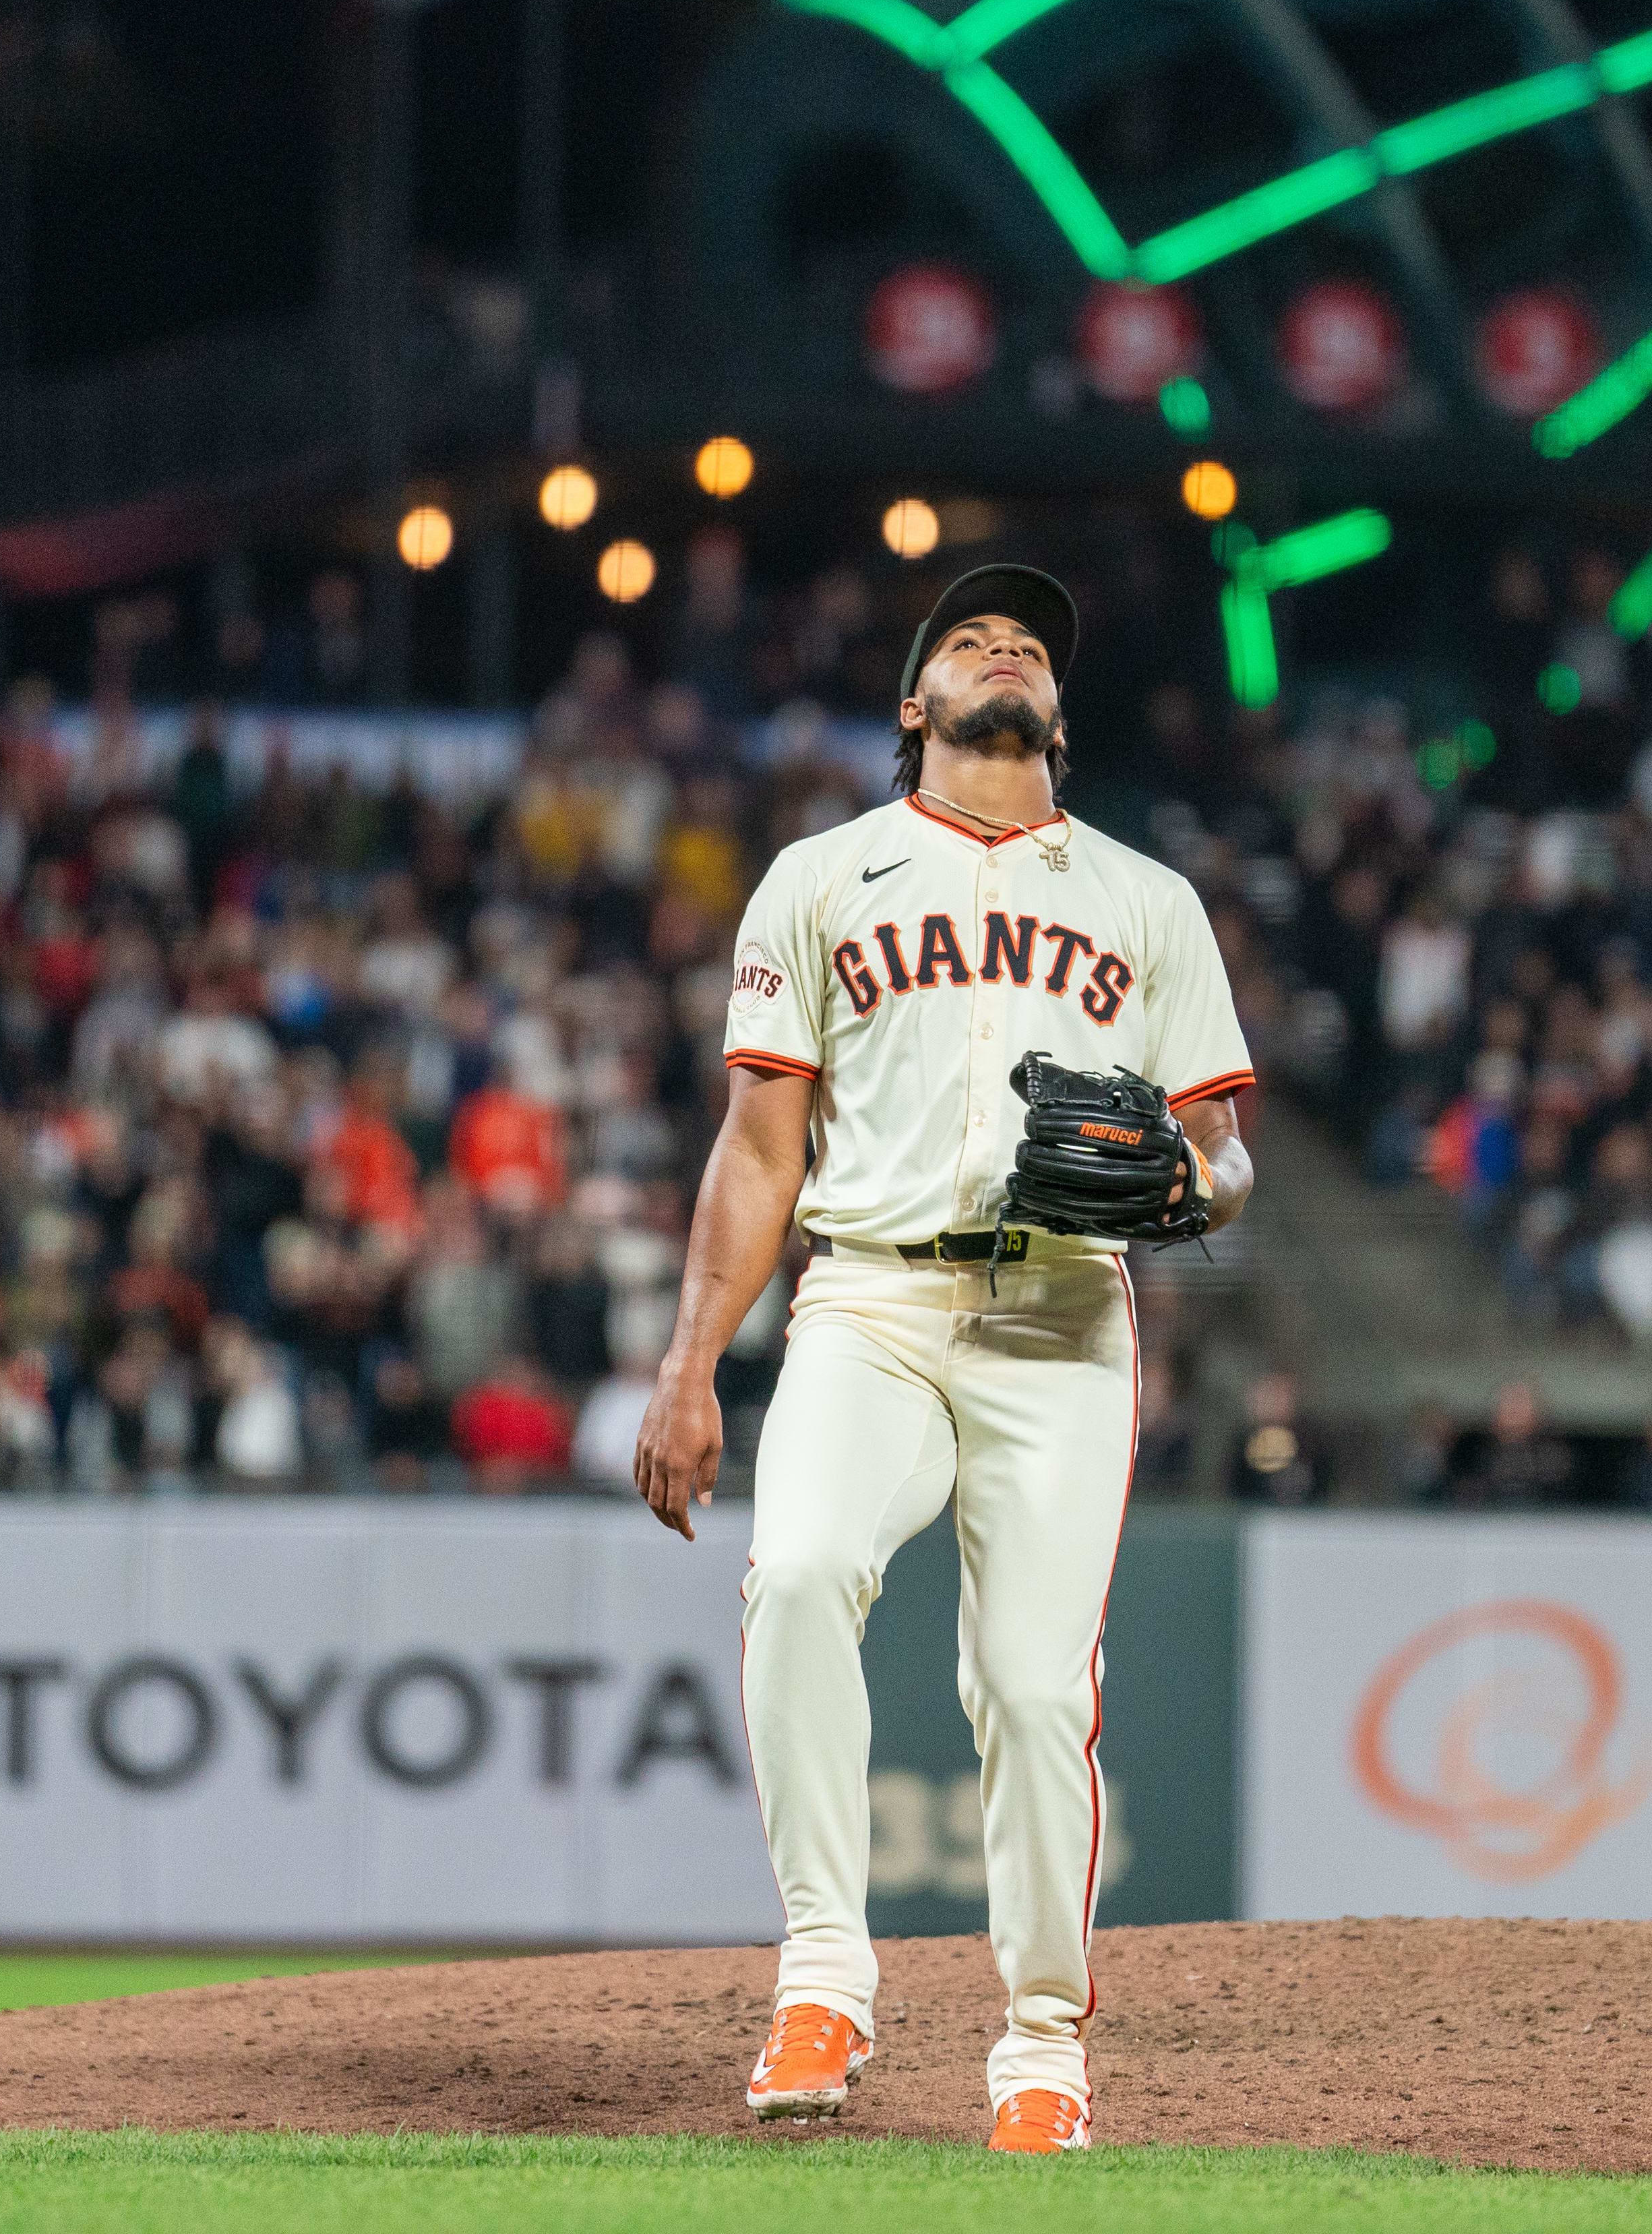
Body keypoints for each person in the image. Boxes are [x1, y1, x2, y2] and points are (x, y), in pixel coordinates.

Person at [632, 566, 1255, 2156]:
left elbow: (1222, 1153)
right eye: (969, 641)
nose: (1003, 654)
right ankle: (824, 1978)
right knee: (802, 1567)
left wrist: (1192, 1184)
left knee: (1038, 1689)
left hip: (1062, 1319)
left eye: (1030, 646)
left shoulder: (1145, 902)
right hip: (871, 1301)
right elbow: (758, 1147)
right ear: (914, 704)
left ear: (1060, 711)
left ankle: (1043, 2043)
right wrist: (692, 1357)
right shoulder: (821, 879)